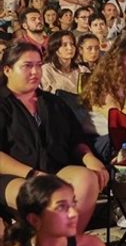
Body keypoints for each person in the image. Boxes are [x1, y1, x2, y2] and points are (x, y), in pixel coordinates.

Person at [0, 43, 107, 235]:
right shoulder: (3, 104)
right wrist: (32, 174)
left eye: (39, 65)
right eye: (27, 66)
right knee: (44, 196)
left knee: (87, 178)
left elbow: (76, 139)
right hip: (14, 176)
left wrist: (91, 159)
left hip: (54, 169)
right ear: (8, 70)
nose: (35, 71)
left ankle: (67, 245)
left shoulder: (53, 103)